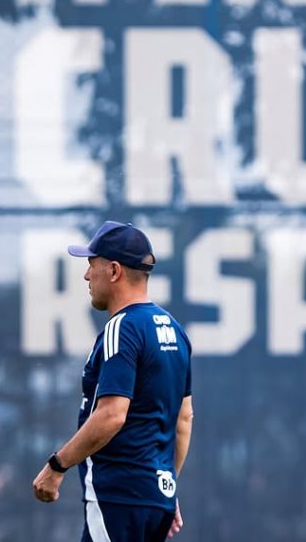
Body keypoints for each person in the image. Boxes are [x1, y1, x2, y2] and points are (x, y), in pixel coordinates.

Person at [31, 221, 193, 542]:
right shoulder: (175, 330)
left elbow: (112, 414)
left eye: (92, 265)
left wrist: (56, 467)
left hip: (118, 496)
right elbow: (184, 420)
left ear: (114, 271)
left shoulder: (123, 328)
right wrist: (167, 486)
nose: (87, 276)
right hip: (157, 501)